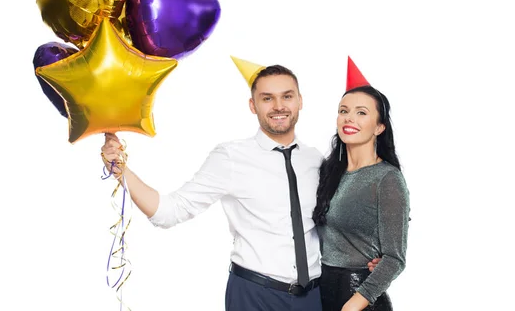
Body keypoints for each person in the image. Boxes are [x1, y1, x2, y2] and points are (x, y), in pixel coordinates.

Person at [101, 56, 379, 311]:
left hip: (312, 297)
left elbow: (332, 225)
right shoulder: (231, 157)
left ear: (300, 102)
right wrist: (121, 171)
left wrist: (368, 256)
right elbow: (169, 212)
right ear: (252, 105)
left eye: (287, 96)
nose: (279, 106)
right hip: (254, 295)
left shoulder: (315, 160)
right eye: (267, 98)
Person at [313, 57, 410, 311]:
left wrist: (353, 305)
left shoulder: (387, 178)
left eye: (361, 113)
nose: (349, 118)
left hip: (359, 299)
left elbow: (394, 259)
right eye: (344, 111)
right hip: (321, 292)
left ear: (379, 127)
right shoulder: (328, 172)